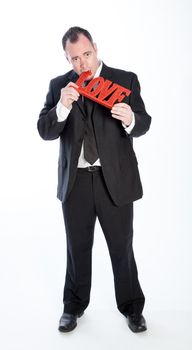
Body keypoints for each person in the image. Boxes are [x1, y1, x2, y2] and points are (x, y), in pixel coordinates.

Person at [37, 26, 151, 333]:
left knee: (121, 248)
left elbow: (144, 123)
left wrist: (131, 119)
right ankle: (72, 306)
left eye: (86, 54)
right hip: (76, 183)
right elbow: (45, 130)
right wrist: (62, 106)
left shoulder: (125, 79)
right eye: (74, 59)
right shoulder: (59, 85)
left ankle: (132, 308)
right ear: (67, 58)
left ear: (96, 48)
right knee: (77, 247)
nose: (82, 63)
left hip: (114, 180)